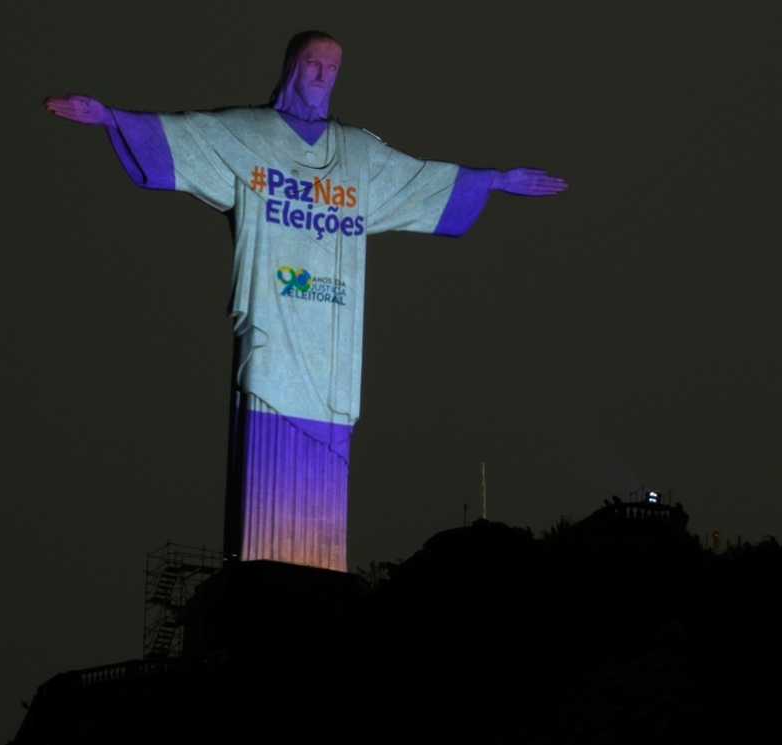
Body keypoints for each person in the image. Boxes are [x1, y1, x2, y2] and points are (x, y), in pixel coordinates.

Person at [44, 30, 567, 572]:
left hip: (332, 336)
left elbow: (420, 178)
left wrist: (496, 181)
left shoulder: (359, 154)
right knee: (267, 455)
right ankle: (267, 566)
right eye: (313, 63)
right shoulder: (251, 135)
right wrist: (111, 118)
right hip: (274, 320)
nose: (322, 75)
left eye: (333, 68)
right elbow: (189, 136)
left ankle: (314, 575)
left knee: (326, 455)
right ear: (293, 68)